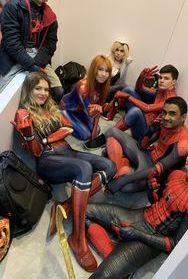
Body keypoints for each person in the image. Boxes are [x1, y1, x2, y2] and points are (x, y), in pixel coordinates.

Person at [11, 72, 117, 273]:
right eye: (38, 89)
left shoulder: (51, 108)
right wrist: (30, 137)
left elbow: (67, 129)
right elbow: (36, 151)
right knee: (84, 168)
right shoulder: (24, 113)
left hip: (68, 152)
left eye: (46, 89)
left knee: (110, 166)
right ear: (29, 90)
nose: (43, 93)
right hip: (49, 161)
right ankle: (77, 239)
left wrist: (45, 138)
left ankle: (66, 205)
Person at [85, 139, 188, 278]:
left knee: (102, 276)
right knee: (83, 211)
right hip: (140, 215)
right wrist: (150, 191)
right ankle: (115, 255)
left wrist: (136, 234)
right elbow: (157, 201)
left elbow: (174, 244)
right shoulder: (177, 175)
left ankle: (120, 263)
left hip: (151, 239)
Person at [105, 96, 188, 194]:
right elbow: (141, 145)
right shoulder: (165, 123)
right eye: (164, 112)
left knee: (127, 187)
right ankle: (117, 170)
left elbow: (157, 170)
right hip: (147, 154)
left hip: (152, 169)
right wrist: (150, 130)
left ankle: (123, 167)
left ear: (183, 117)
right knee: (111, 131)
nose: (166, 117)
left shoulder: (184, 143)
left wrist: (123, 180)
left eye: (172, 114)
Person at [0, 0, 63, 103]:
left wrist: (37, 65)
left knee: (58, 92)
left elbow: (50, 46)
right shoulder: (12, 7)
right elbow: (11, 43)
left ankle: (37, 115)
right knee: (5, 96)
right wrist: (31, 66)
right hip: (14, 56)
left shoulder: (51, 17)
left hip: (38, 56)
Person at [86, 65, 178, 150]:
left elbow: (147, 108)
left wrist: (127, 96)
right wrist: (141, 77)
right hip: (144, 119)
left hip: (144, 133)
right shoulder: (162, 90)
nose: (161, 80)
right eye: (161, 77)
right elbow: (139, 90)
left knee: (135, 110)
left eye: (166, 78)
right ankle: (107, 112)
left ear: (174, 82)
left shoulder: (171, 100)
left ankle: (106, 137)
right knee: (129, 89)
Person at [60, 54, 112, 141]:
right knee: (85, 135)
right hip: (67, 109)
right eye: (100, 69)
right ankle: (60, 118)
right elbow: (90, 113)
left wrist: (95, 129)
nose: (104, 74)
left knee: (97, 130)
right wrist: (98, 109)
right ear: (94, 69)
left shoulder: (103, 88)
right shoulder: (83, 87)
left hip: (81, 111)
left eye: (107, 71)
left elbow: (97, 111)